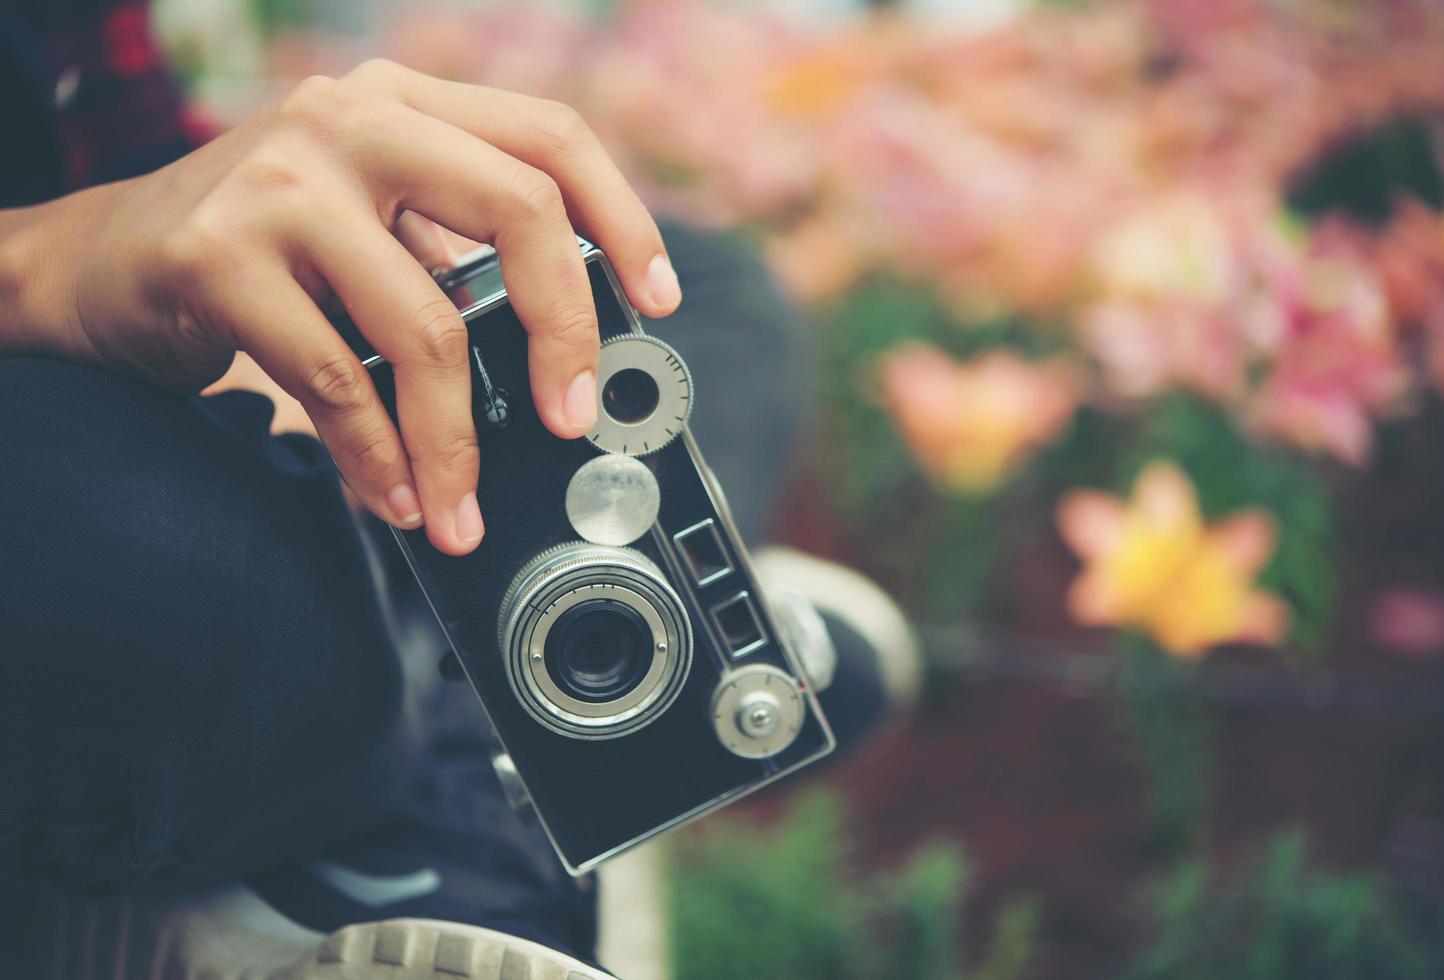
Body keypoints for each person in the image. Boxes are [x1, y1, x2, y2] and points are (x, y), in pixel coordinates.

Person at [0, 3, 919, 978]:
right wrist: (45, 261)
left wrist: (280, 227)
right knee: (174, 570)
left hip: (119, 361)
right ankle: (530, 736)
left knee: (687, 282)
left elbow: (121, 150)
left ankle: (542, 663)